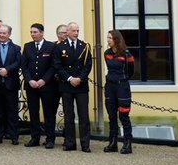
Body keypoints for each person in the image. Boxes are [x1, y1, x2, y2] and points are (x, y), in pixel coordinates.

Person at [56, 21, 93, 152]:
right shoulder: (60, 47)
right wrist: (70, 78)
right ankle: (70, 143)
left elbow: (88, 64)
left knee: (83, 116)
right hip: (66, 85)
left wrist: (80, 78)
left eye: (77, 31)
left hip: (81, 85)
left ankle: (85, 144)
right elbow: (58, 65)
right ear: (67, 32)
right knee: (68, 116)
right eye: (74, 31)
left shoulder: (85, 46)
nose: (76, 33)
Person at [20, 23, 58, 148]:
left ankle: (50, 138)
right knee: (33, 112)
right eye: (31, 32)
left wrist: (44, 80)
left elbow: (54, 66)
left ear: (42, 33)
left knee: (48, 112)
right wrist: (29, 80)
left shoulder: (51, 46)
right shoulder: (27, 46)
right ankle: (34, 138)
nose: (32, 34)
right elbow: (24, 66)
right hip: (31, 85)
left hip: (46, 85)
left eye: (35, 32)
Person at [102, 29, 135, 154]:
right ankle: (113, 142)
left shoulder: (127, 55)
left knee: (123, 116)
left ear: (116, 39)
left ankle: (127, 143)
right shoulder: (107, 53)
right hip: (110, 87)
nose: (108, 40)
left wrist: (122, 80)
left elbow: (130, 72)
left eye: (110, 38)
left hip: (122, 87)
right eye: (107, 38)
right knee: (112, 116)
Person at [0, 23, 21, 145]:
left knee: (12, 111)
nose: (1, 35)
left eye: (4, 33)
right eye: (0, 33)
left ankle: (14, 136)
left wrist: (7, 70)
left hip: (10, 84)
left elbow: (18, 62)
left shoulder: (16, 48)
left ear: (9, 34)